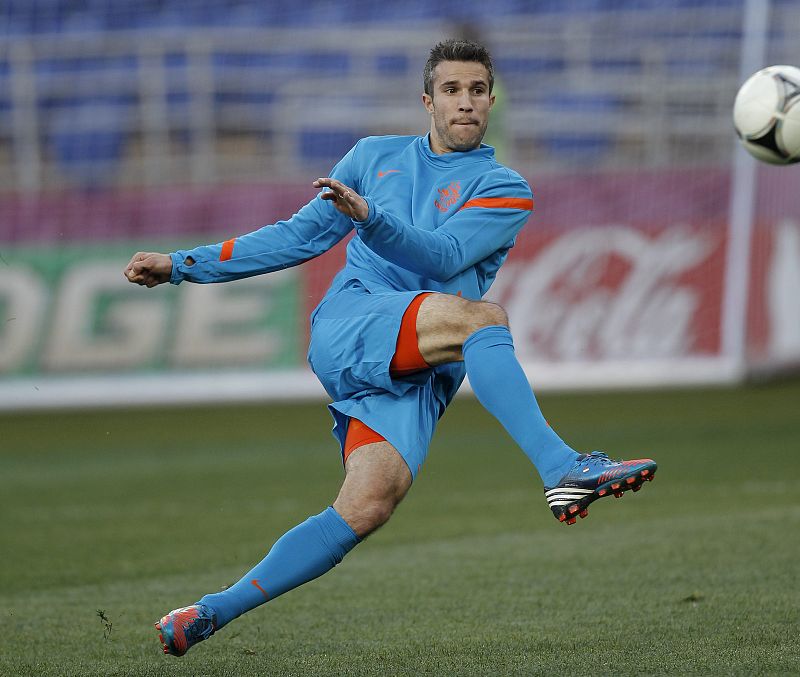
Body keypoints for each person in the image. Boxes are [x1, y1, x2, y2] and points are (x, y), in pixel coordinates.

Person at [125, 39, 657, 658]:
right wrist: (182, 265)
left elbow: (444, 255)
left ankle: (207, 614)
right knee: (483, 320)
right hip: (354, 323)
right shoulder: (372, 157)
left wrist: (370, 218)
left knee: (367, 505)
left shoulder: (505, 189)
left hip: (420, 368)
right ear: (428, 101)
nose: (465, 102)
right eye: (452, 90)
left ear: (492, 101)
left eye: (477, 90)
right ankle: (561, 468)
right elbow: (297, 238)